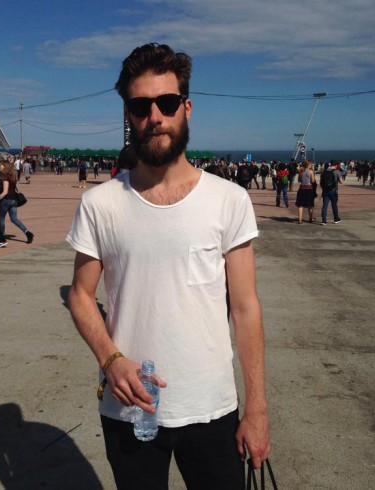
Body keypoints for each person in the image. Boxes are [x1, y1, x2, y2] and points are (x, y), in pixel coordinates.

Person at [67, 43, 270, 490]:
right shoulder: (100, 204)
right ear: (128, 115)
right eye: (141, 106)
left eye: (167, 102)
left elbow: (245, 308)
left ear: (186, 108)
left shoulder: (229, 200)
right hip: (129, 408)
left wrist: (256, 410)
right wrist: (110, 359)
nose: (155, 116)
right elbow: (80, 295)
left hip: (211, 407)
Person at [0, 161, 34, 243]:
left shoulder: (5, 176)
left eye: (1, 165)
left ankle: (1, 237)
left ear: (5, 166)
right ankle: (28, 233)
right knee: (14, 219)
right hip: (14, 200)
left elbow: (5, 192)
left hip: (6, 200)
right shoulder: (13, 176)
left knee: (2, 219)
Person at [320, 161, 343, 225]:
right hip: (333, 190)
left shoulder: (325, 171)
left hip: (325, 190)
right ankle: (336, 219)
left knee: (325, 205)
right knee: (334, 205)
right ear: (336, 165)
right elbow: (341, 181)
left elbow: (321, 182)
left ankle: (324, 221)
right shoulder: (337, 171)